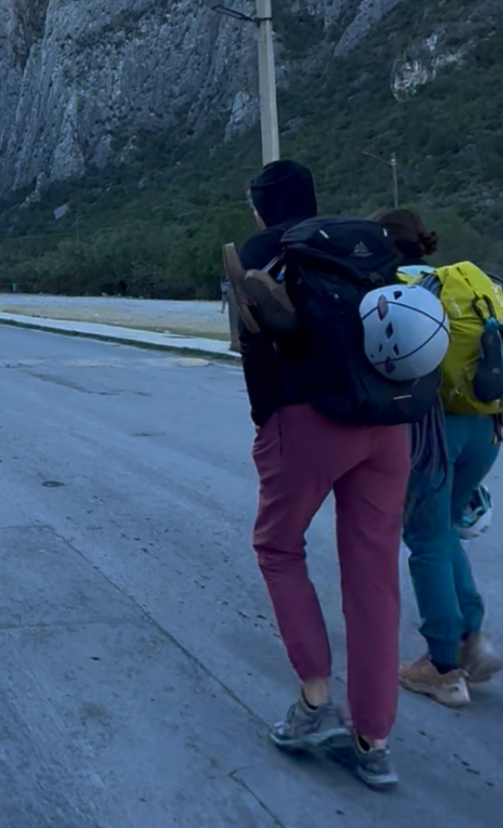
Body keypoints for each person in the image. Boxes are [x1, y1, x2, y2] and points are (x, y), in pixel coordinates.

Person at [234, 160, 407, 791]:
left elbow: (254, 346)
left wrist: (266, 424)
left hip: (307, 419)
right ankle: (374, 740)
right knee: (373, 576)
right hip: (389, 423)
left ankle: (314, 703)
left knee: (278, 547)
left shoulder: (260, 250)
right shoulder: (361, 243)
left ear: (261, 207)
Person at [375, 208, 503, 706]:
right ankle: (474, 644)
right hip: (484, 429)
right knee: (446, 533)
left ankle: (443, 667)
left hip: (433, 432)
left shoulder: (393, 289)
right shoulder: (455, 283)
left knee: (425, 539)